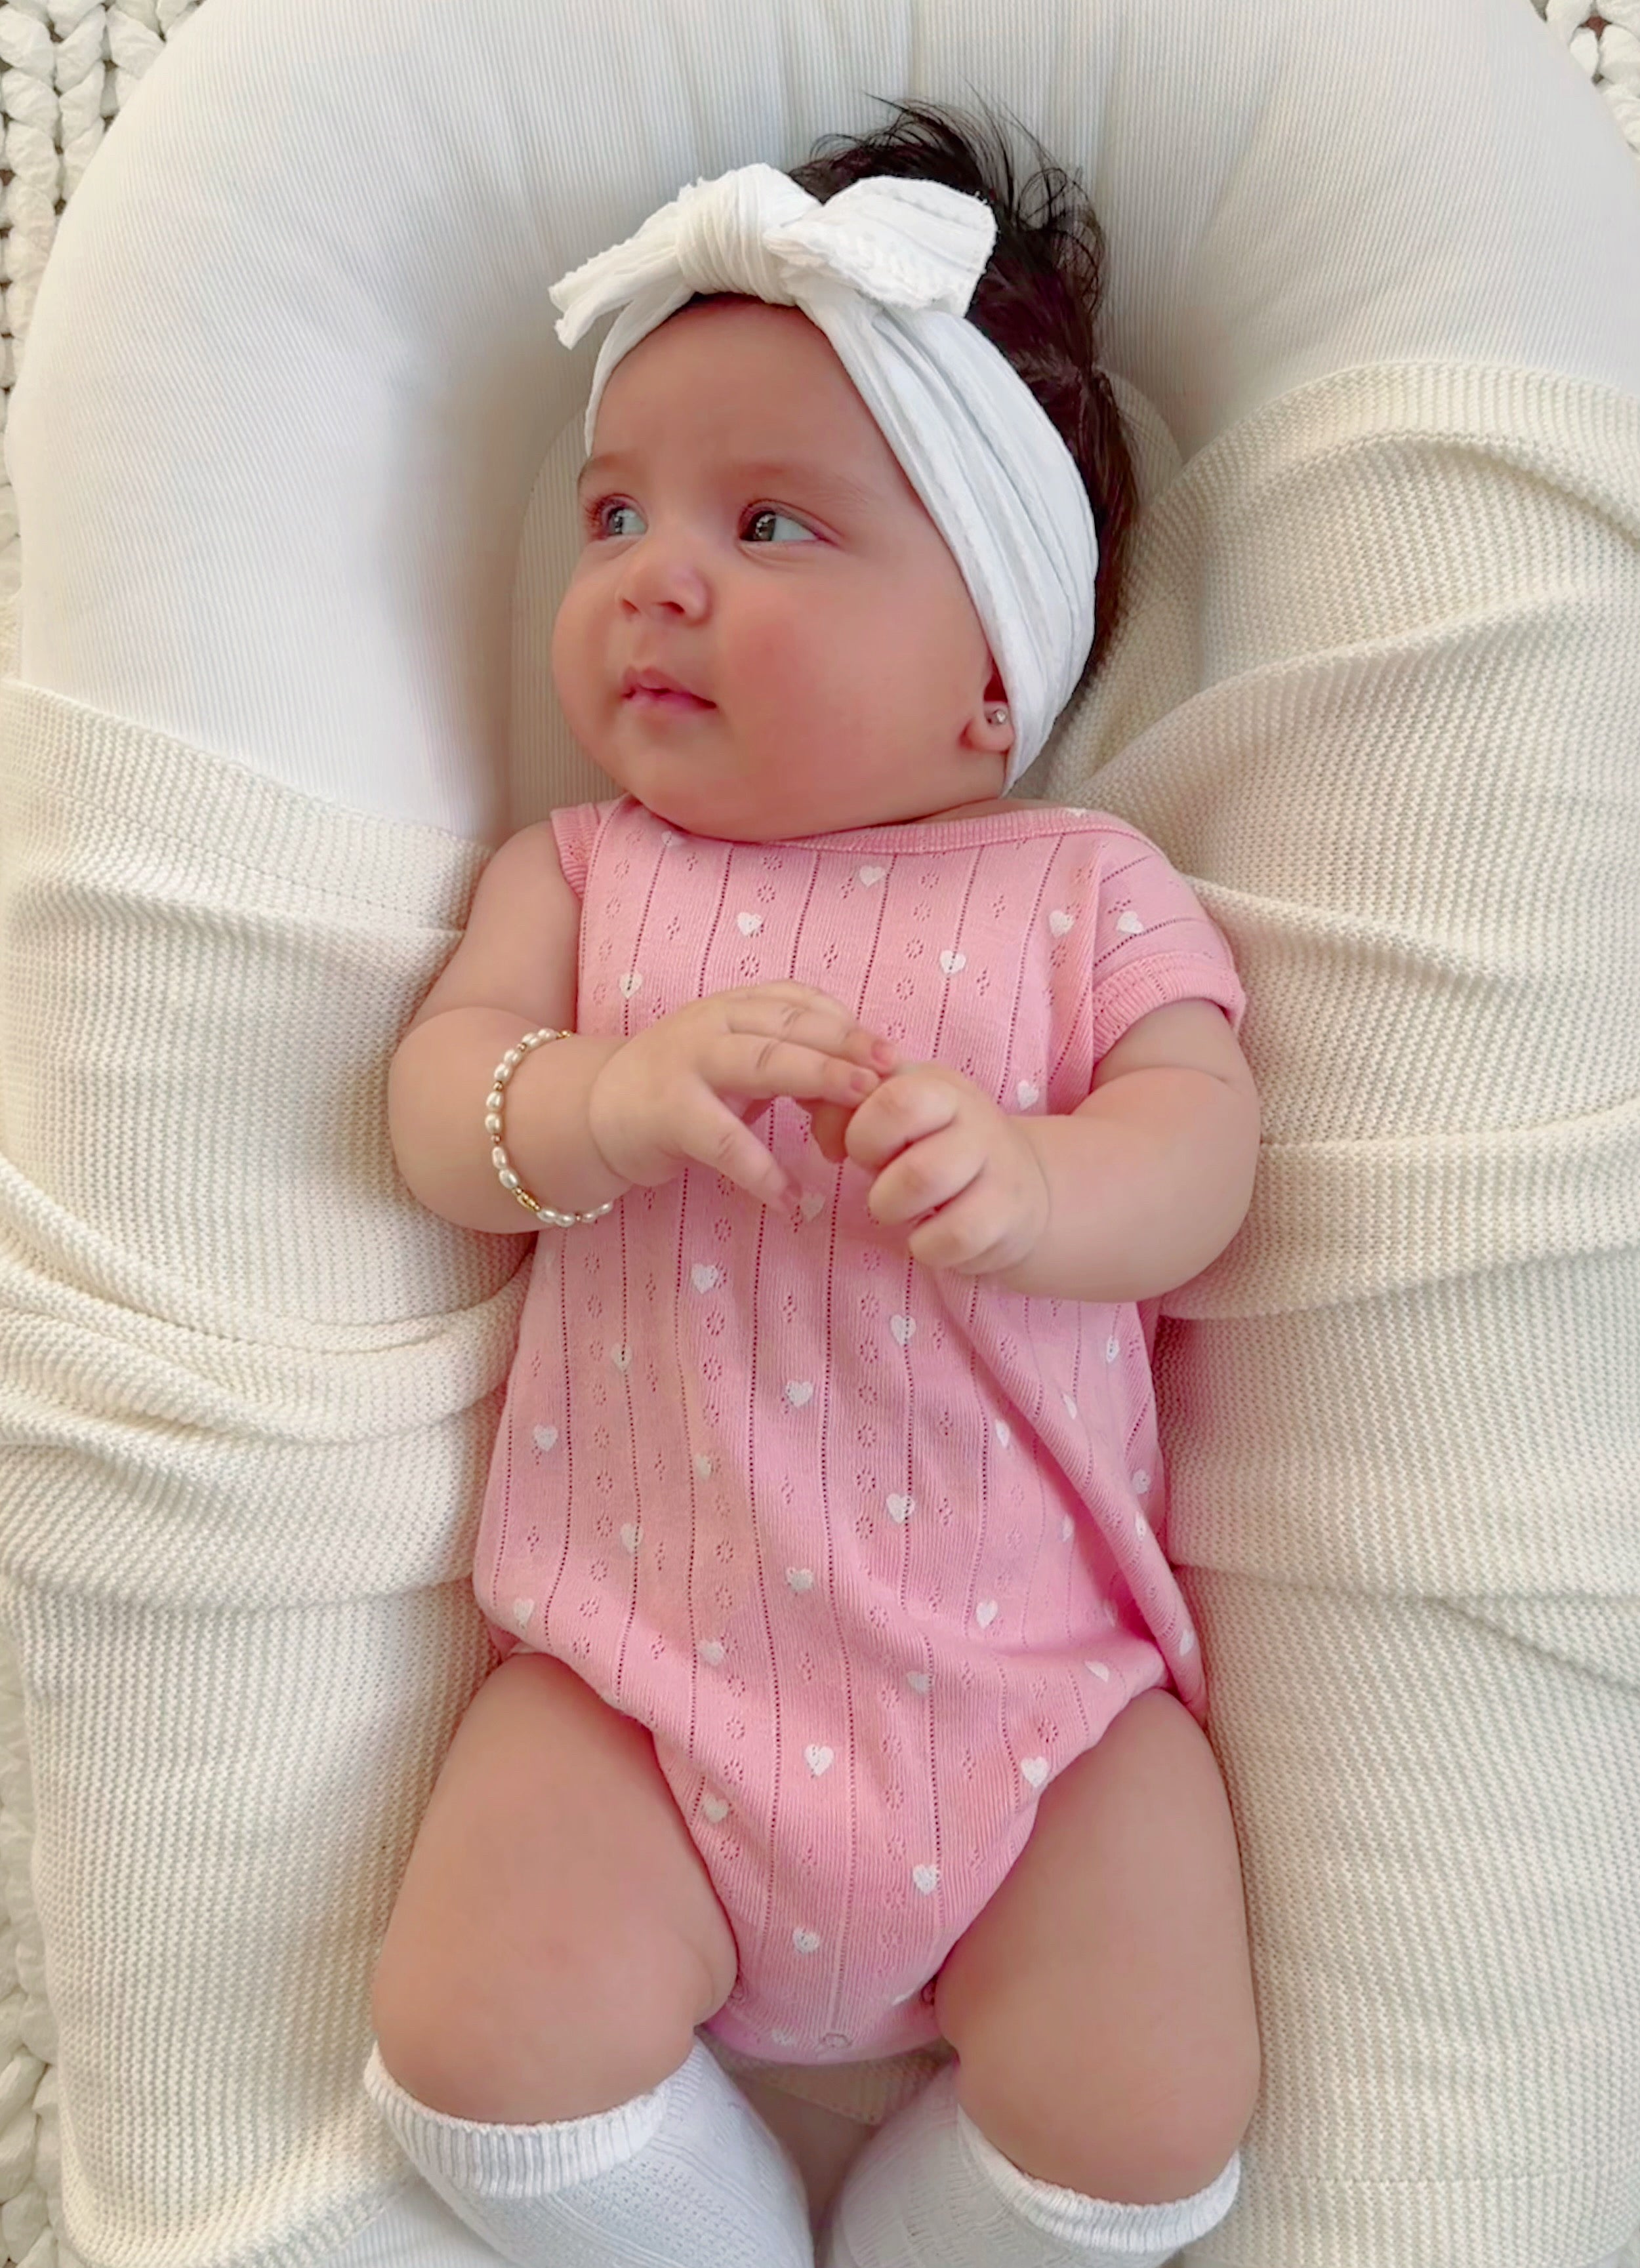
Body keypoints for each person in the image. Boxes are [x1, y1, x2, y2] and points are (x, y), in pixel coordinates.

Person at [362, 99, 1263, 2268]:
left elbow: (1209, 1148)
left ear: (993, 673)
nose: (653, 573)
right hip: (635, 1685)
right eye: (614, 513)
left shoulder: (1080, 888)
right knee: (473, 2030)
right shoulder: (577, 877)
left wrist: (1048, 1186)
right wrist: (592, 1098)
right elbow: (437, 1098)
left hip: (1044, 1707)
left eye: (771, 525)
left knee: (1152, 2104)